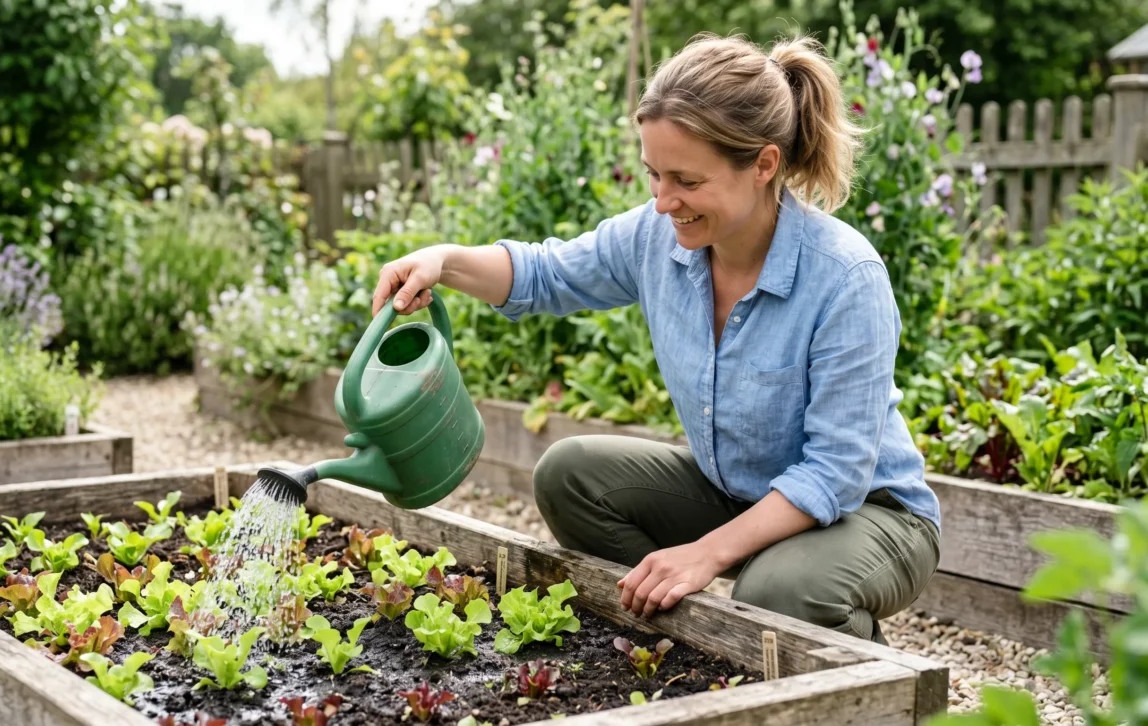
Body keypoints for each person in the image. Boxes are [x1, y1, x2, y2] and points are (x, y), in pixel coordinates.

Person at [370, 34, 941, 644]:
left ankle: (871, 676)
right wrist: (442, 261)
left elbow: (834, 473)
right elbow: (546, 273)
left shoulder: (844, 276)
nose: (664, 201)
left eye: (686, 180)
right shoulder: (658, 236)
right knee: (570, 475)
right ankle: (683, 645)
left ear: (764, 165)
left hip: (869, 513)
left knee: (778, 595)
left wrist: (705, 554)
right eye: (654, 174)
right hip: (738, 493)